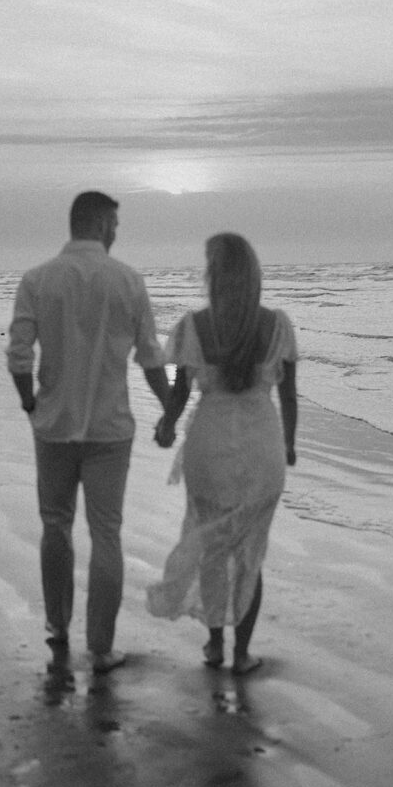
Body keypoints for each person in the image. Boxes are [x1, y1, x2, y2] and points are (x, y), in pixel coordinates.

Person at [6, 191, 170, 674]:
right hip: (109, 428)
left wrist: (30, 402)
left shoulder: (37, 280)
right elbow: (150, 357)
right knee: (106, 533)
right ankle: (100, 646)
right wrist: (169, 409)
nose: (117, 232)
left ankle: (58, 627)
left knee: (55, 524)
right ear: (98, 224)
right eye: (114, 224)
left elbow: (18, 352)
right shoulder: (128, 280)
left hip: (53, 425)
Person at [148, 233, 297, 675]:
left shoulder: (195, 326)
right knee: (251, 549)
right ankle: (241, 654)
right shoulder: (277, 326)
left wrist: (168, 424)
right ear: (253, 276)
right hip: (261, 445)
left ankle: (214, 645)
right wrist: (288, 444)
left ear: (214, 275)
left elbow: (180, 392)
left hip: (209, 446)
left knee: (213, 546)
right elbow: (288, 396)